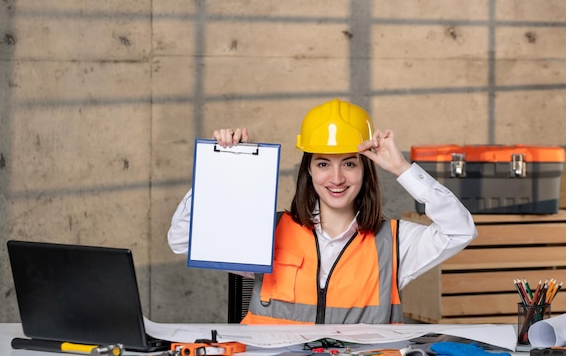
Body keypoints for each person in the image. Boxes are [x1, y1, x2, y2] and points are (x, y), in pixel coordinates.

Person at [168, 98, 476, 325]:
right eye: (323, 163)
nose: (337, 178)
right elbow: (182, 238)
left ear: (366, 170)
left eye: (350, 163)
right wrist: (222, 165)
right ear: (309, 171)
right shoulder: (267, 230)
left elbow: (460, 230)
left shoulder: (394, 243)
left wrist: (401, 168)